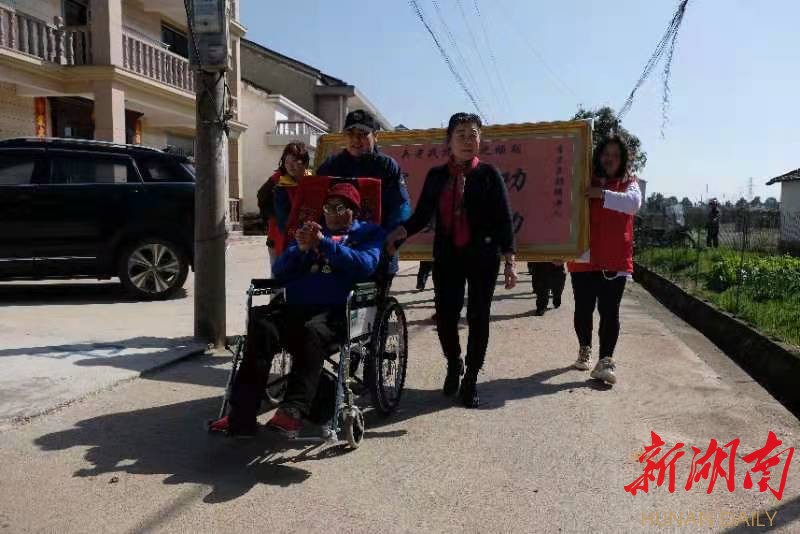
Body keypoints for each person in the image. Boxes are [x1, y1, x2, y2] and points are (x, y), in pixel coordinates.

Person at [210, 183, 385, 437]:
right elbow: (280, 271)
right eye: (328, 207)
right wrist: (301, 251)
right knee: (262, 325)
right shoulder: (310, 232)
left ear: (354, 211)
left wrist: (325, 245)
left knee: (312, 332)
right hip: (296, 307)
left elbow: (365, 265)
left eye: (339, 208)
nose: (332, 213)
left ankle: (292, 411)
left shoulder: (368, 233)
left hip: (337, 311)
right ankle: (241, 414)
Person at [387, 112, 517, 408]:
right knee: (445, 316)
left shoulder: (489, 174)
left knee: (478, 316)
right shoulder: (436, 176)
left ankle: (470, 378)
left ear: (480, 140)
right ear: (449, 140)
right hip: (448, 256)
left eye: (473, 135)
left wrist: (510, 261)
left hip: (483, 256)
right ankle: (454, 362)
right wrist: (400, 233)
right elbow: (421, 215)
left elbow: (504, 219)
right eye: (461, 135)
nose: (468, 141)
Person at [567, 136, 641, 386]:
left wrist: (601, 194)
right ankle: (585, 348)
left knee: (610, 312)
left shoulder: (629, 183)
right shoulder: (584, 179)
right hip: (584, 257)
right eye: (606, 154)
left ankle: (605, 361)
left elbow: (633, 204)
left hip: (614, 260)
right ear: (598, 156)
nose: (610, 159)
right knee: (583, 309)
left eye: (616, 155)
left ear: (623, 160)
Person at [316, 109, 411, 297]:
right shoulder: (331, 166)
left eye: (362, 134)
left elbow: (401, 207)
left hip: (378, 250)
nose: (356, 140)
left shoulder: (387, 166)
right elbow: (316, 205)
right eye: (350, 134)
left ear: (376, 136)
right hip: (339, 249)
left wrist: (393, 238)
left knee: (373, 307)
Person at [257, 141, 311, 263]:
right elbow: (261, 196)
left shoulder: (311, 180)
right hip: (280, 237)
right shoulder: (279, 181)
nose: (290, 166)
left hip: (303, 239)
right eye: (287, 162)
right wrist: (273, 215)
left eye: (295, 161)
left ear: (305, 163)